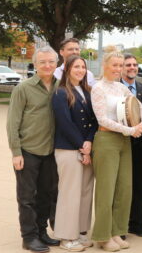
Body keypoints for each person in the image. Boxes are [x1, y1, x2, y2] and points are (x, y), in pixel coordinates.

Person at [90, 52, 142, 251]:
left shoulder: (121, 87)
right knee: (106, 191)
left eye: (120, 65)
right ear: (105, 65)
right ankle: (103, 236)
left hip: (124, 141)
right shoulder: (98, 88)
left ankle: (117, 231)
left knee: (124, 189)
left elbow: (139, 106)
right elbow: (102, 120)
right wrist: (131, 130)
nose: (118, 68)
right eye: (114, 65)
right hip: (106, 141)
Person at [7, 46, 61, 252]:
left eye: (51, 62)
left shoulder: (60, 86)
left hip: (50, 151)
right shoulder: (23, 88)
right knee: (27, 197)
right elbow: (12, 123)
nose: (47, 65)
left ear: (56, 64)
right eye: (42, 62)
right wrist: (16, 152)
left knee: (46, 195)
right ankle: (28, 237)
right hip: (28, 151)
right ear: (35, 65)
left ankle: (41, 232)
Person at [52, 55, 98, 252]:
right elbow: (65, 123)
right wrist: (82, 145)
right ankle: (65, 236)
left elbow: (94, 120)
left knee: (86, 193)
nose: (80, 70)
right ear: (67, 70)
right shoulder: (60, 93)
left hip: (86, 148)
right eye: (76, 67)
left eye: (83, 67)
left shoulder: (87, 91)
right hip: (68, 149)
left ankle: (80, 232)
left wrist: (89, 141)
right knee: (70, 194)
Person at [121, 54, 142, 238]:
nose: (132, 67)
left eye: (134, 64)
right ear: (122, 68)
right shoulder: (115, 89)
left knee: (140, 186)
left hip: (141, 146)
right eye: (128, 65)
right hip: (121, 143)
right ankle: (121, 224)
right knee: (123, 187)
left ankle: (137, 223)